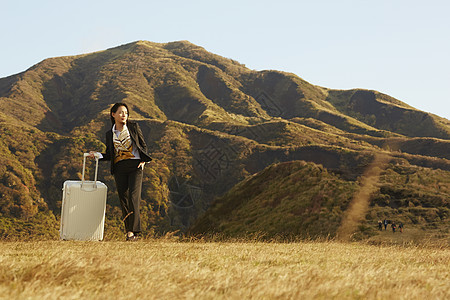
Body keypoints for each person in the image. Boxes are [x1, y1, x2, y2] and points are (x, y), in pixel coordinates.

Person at [89, 103, 152, 241]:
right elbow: (110, 154)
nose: (124, 115)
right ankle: (129, 232)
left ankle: (134, 231)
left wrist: (144, 160)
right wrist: (98, 154)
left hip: (135, 167)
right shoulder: (109, 134)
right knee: (123, 200)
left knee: (133, 198)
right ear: (113, 114)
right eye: (121, 112)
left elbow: (143, 145)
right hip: (120, 168)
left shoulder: (133, 127)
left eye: (126, 113)